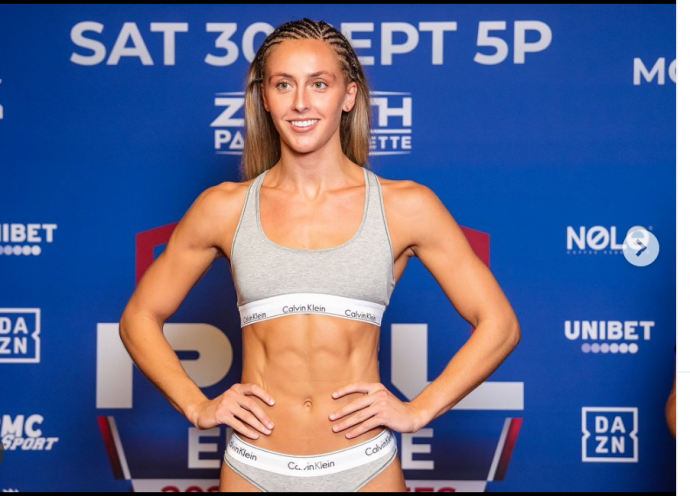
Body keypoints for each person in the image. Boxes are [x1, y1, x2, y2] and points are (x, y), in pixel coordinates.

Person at [118, 18, 521, 493]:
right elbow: (138, 318)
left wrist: (419, 410)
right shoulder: (223, 208)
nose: (301, 103)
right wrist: (196, 404)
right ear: (264, 97)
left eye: (319, 84)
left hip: (364, 467)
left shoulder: (405, 206)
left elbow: (500, 325)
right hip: (254, 467)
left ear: (348, 96)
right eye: (283, 84)